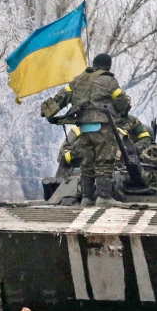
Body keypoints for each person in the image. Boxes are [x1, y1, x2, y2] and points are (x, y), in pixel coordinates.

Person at [41, 53, 131, 207]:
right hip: (102, 126)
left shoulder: (78, 79)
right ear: (108, 66)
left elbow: (62, 96)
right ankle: (104, 197)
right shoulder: (109, 81)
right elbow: (123, 103)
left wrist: (47, 110)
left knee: (87, 161)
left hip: (84, 127)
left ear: (94, 64)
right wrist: (124, 109)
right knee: (104, 160)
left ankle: (86, 197)